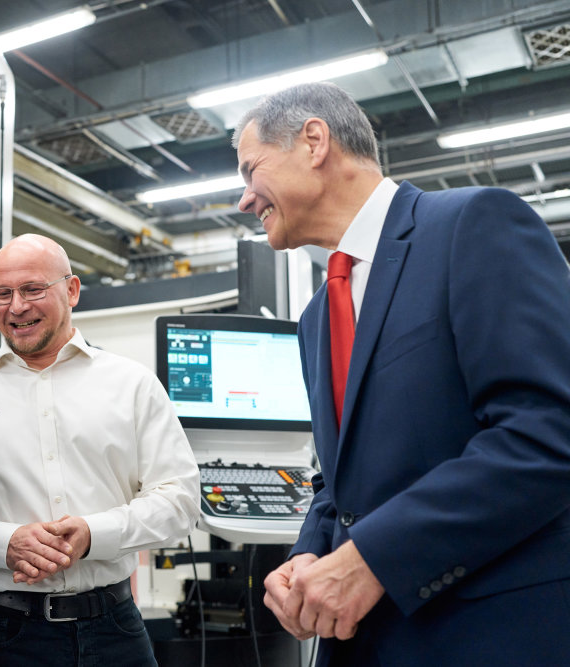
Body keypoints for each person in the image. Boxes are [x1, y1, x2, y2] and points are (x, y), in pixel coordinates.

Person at [232, 82, 570, 665]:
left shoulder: (472, 225)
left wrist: (371, 559)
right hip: (364, 640)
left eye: (250, 170)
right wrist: (307, 556)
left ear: (314, 141)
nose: (244, 199)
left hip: (483, 632)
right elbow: (339, 482)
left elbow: (548, 430)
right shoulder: (316, 317)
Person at [0, 234, 200, 666]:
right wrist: (5, 543)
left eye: (33, 289)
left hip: (116, 631)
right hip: (3, 635)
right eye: (2, 294)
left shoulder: (132, 385)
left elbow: (179, 500)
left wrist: (92, 534)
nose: (16, 307)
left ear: (71, 290)